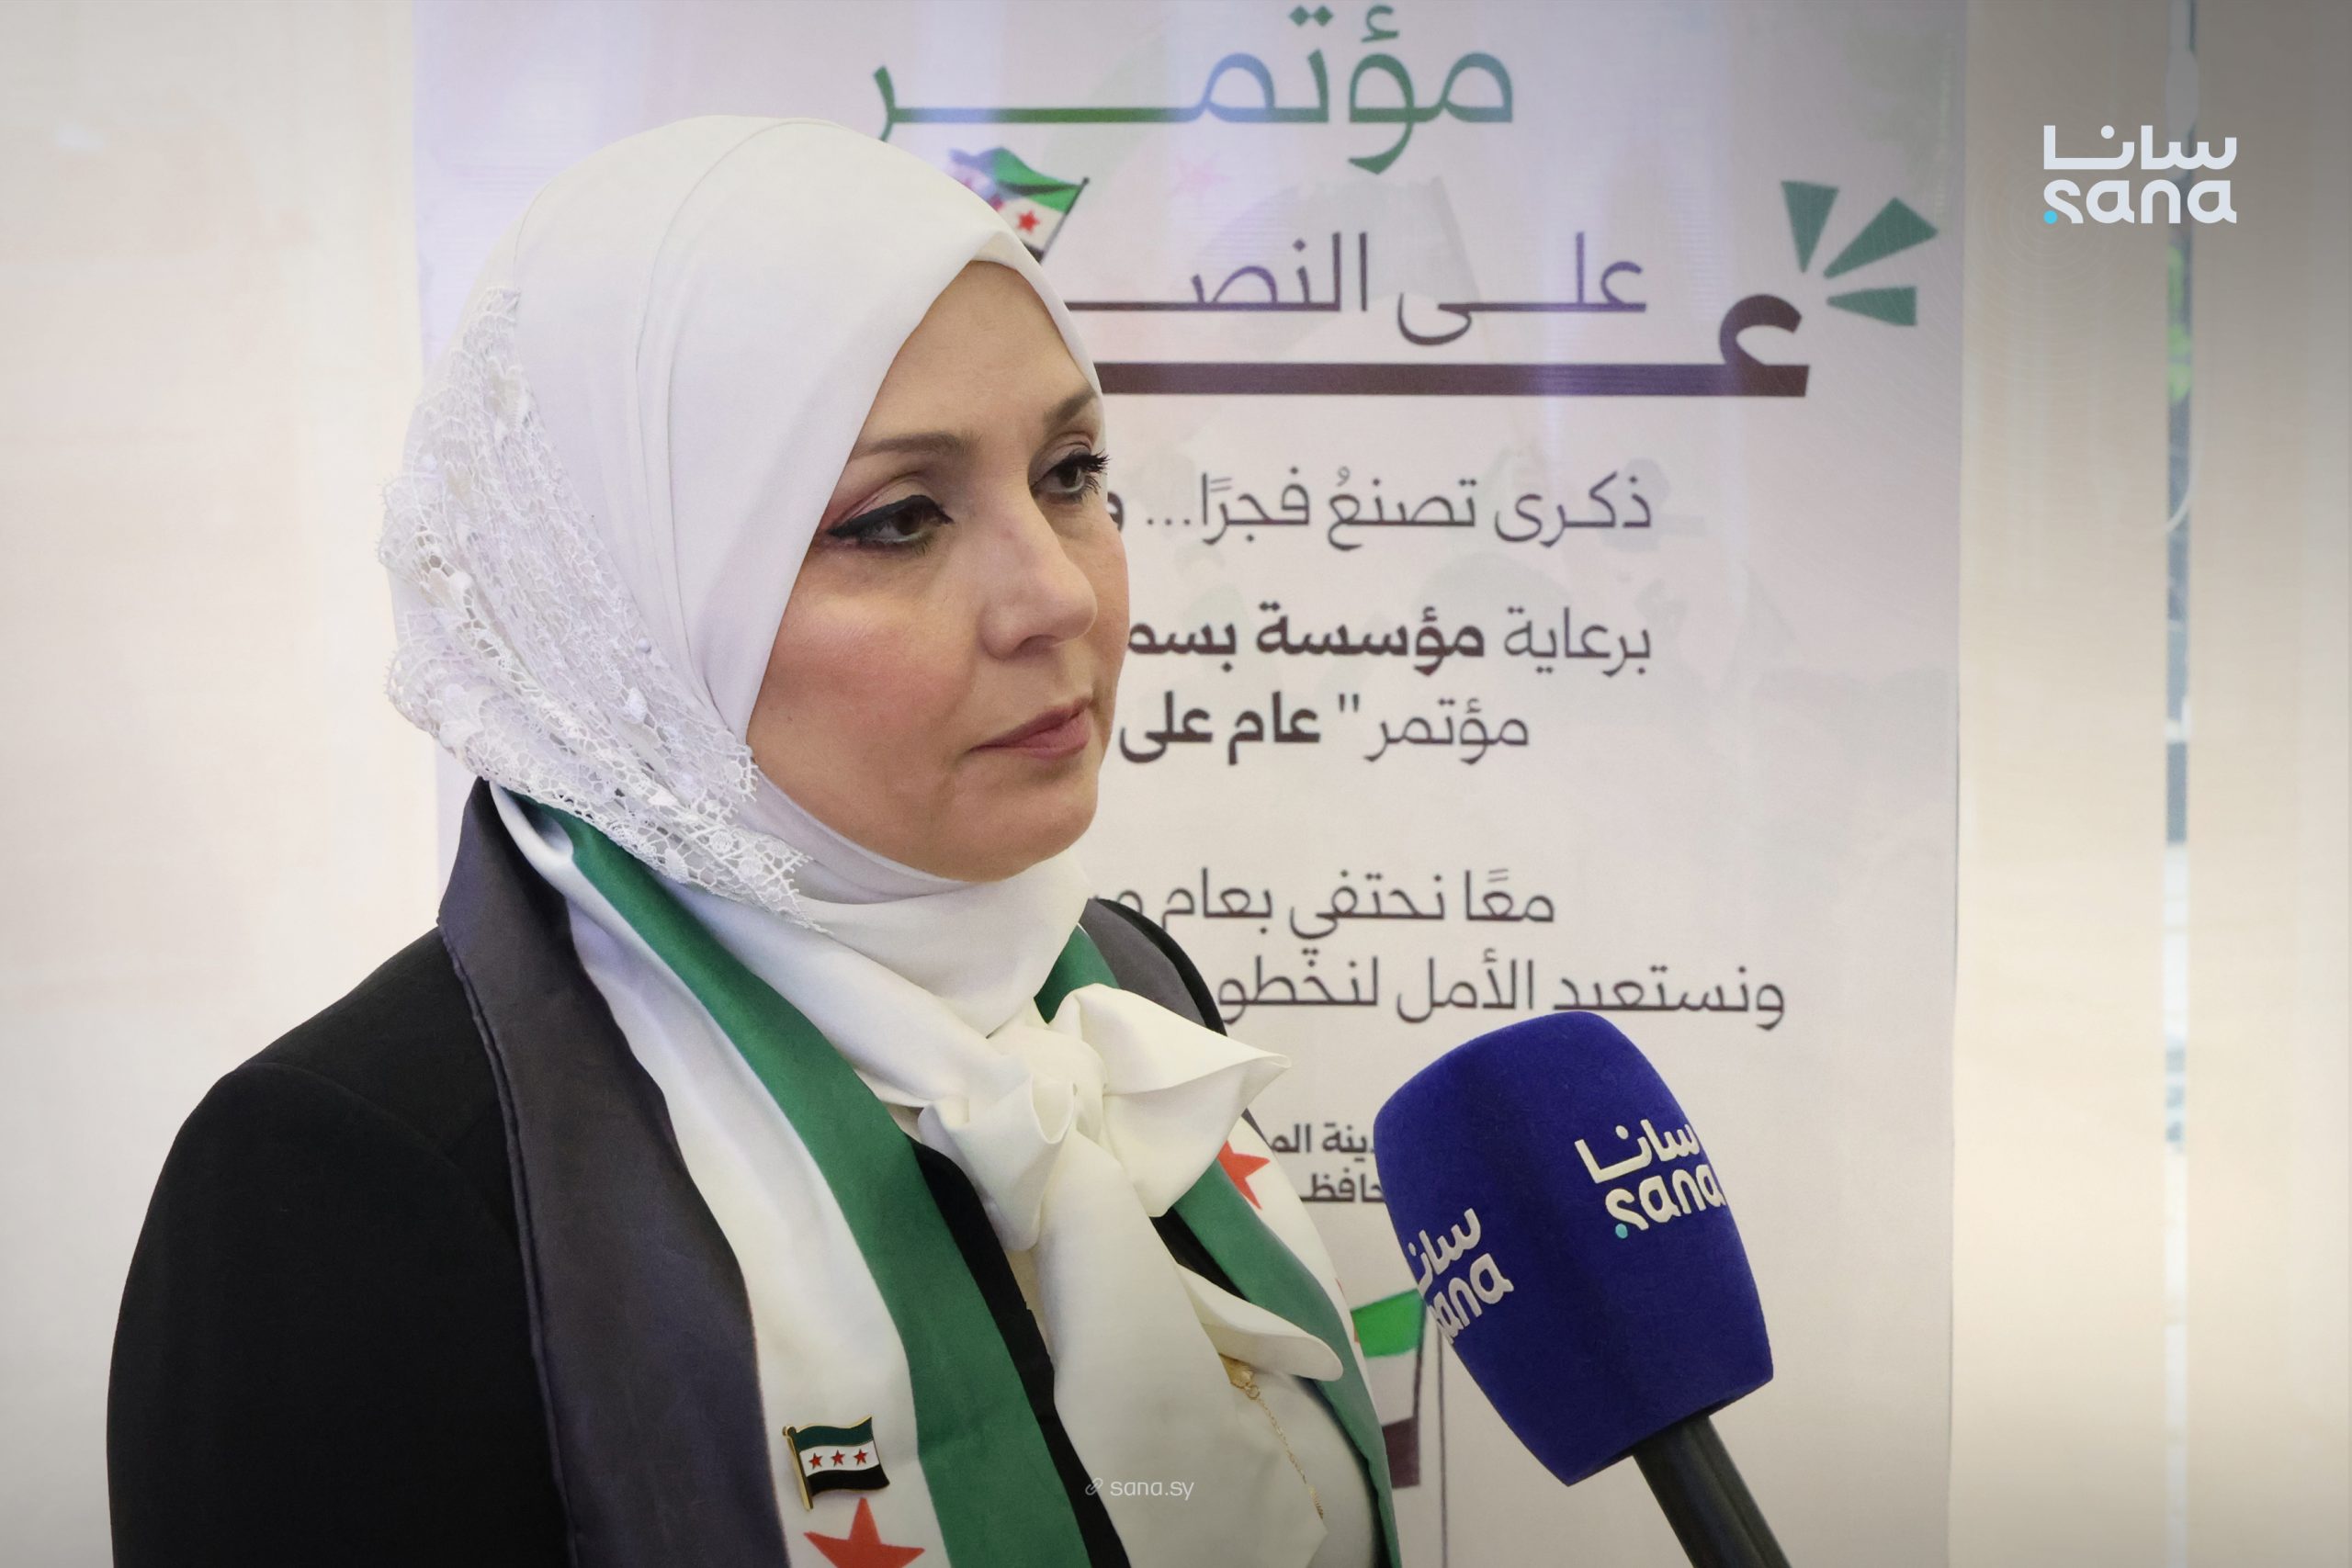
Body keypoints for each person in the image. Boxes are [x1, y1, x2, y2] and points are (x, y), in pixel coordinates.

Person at [105, 118, 1399, 1568]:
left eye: (1069, 473)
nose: (1060, 597)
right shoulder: (355, 1181)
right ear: (640, 600)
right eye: (898, 520)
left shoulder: (1125, 989)